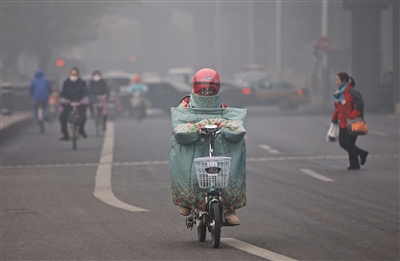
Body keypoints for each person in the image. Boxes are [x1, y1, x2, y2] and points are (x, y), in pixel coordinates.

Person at [169, 68, 247, 225]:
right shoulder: (185, 106)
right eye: (202, 87)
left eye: (210, 87)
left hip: (215, 142)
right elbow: (180, 129)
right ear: (195, 87)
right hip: (194, 144)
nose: (206, 91)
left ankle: (229, 209)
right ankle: (187, 201)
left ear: (217, 88)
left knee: (231, 156)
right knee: (183, 155)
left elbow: (234, 126)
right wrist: (196, 127)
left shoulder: (221, 107)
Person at [331, 72, 368, 170]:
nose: (336, 82)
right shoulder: (339, 93)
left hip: (353, 122)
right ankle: (361, 153)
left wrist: (353, 115)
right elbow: (338, 108)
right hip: (343, 122)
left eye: (337, 80)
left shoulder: (352, 92)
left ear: (343, 81)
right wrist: (334, 118)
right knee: (342, 143)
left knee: (349, 143)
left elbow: (359, 105)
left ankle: (354, 164)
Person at [58, 67, 89, 141]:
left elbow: (85, 93)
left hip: (79, 103)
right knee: (62, 117)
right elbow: (63, 93)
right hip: (68, 103)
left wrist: (84, 100)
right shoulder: (66, 82)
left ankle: (81, 130)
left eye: (75, 74)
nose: (73, 76)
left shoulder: (82, 83)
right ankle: (65, 134)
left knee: (83, 117)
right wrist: (63, 100)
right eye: (72, 74)